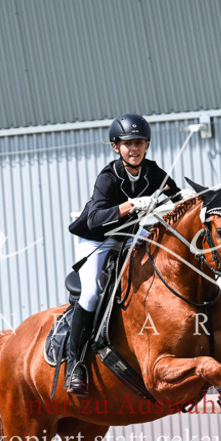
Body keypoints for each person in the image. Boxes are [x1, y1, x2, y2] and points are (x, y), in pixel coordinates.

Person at [63, 113, 181, 395]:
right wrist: (131, 206)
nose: (134, 148)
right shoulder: (108, 177)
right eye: (128, 143)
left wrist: (191, 200)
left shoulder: (152, 171)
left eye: (139, 142)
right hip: (96, 239)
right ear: (116, 147)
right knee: (91, 293)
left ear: (146, 145)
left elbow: (176, 197)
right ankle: (75, 365)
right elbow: (94, 219)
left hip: (129, 235)